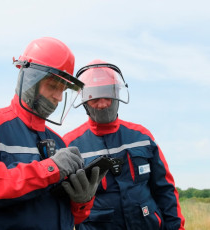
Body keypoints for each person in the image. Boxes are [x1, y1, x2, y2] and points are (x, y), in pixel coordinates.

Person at [0, 38, 104, 230]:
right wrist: (49, 169)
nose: (58, 97)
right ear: (29, 79)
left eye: (63, 89)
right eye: (53, 86)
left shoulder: (59, 142)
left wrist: (82, 201)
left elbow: (73, 219)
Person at [63, 59, 185, 230]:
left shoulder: (142, 136)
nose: (102, 104)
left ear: (117, 94)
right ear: (84, 100)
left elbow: (165, 190)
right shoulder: (70, 145)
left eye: (107, 95)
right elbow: (61, 206)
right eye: (94, 98)